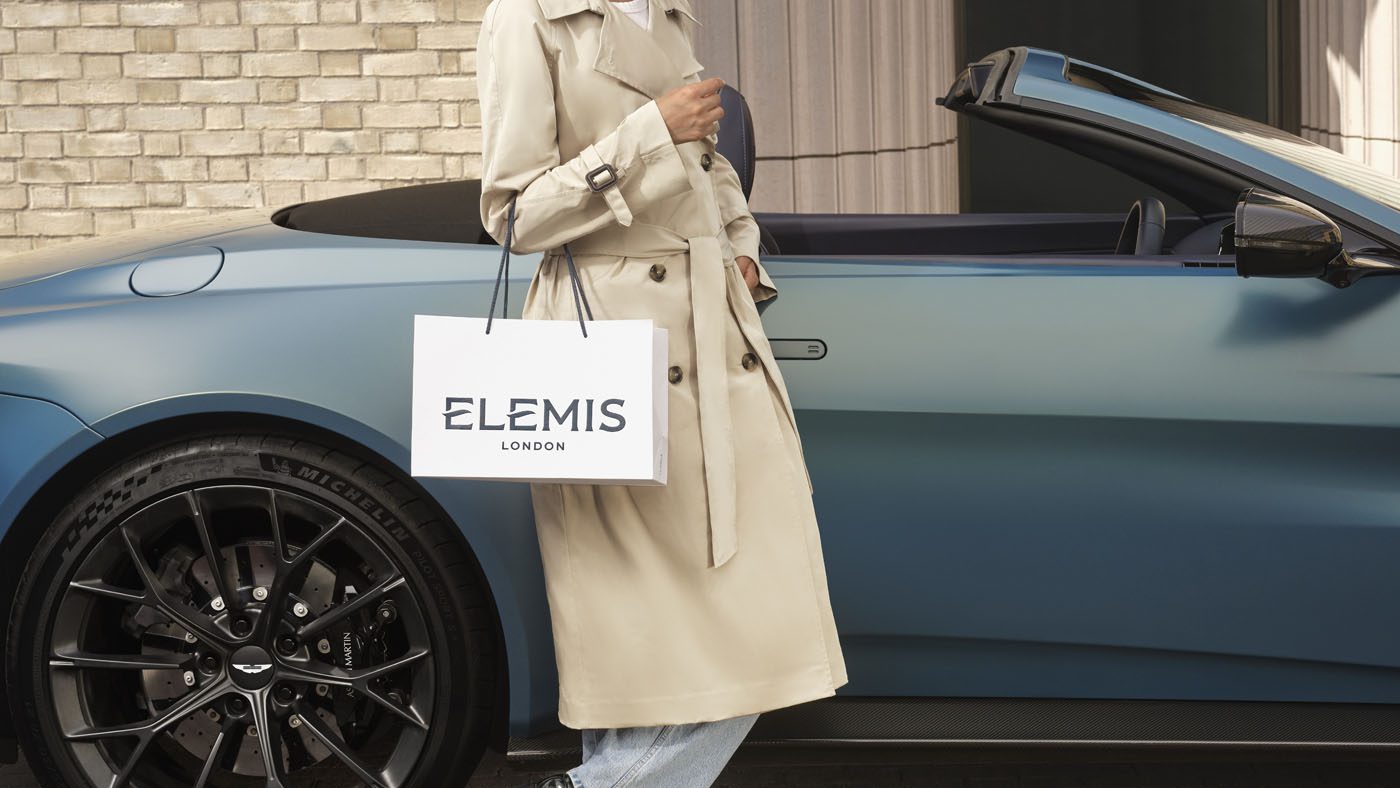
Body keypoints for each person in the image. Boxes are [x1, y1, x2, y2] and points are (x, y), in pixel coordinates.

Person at [476, 0, 848, 785]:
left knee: (754, 623)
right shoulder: (529, 17)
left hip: (711, 335)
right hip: (611, 346)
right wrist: (650, 132)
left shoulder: (671, 16)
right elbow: (513, 215)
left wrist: (743, 253)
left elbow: (707, 169)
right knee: (640, 645)